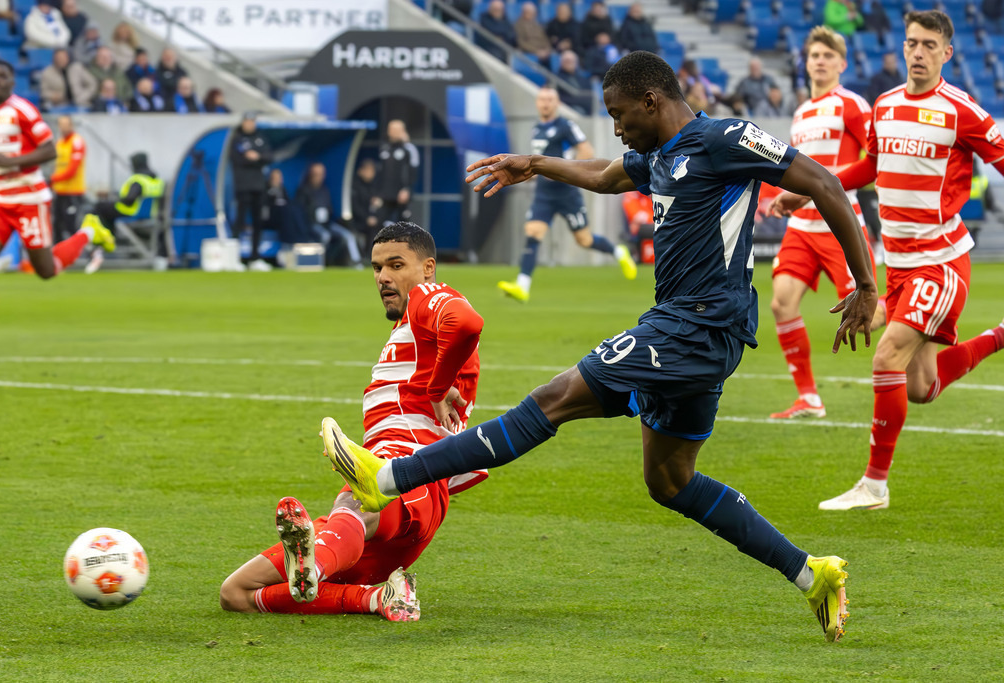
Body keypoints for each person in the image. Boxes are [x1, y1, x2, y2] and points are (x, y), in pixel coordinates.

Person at [320, 51, 880, 643]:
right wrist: (533, 164)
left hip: (695, 327)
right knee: (671, 482)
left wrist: (866, 284)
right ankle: (810, 574)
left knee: (553, 399)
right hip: (687, 333)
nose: (614, 127)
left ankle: (385, 478)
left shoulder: (725, 138)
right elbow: (606, 175)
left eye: (617, 114)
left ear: (651, 101)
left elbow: (823, 181)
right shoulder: (657, 157)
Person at [771, 11, 1004, 511]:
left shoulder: (962, 111)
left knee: (886, 357)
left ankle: (874, 485)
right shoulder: (886, 104)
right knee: (920, 387)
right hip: (896, 264)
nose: (918, 53)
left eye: (929, 45)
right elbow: (870, 166)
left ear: (947, 53)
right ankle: (1001, 336)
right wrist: (803, 193)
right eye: (911, 44)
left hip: (940, 262)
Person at [219, 221, 486, 620]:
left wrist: (435, 389)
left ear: (428, 268)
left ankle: (317, 562)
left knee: (357, 497)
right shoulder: (411, 328)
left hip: (406, 471)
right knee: (235, 592)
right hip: (398, 518)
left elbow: (467, 324)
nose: (383, 277)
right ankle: (378, 597)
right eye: (377, 267)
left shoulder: (428, 296)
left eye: (396, 265)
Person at [765, 27, 886, 420]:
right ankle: (809, 399)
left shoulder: (851, 105)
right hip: (802, 227)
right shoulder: (800, 113)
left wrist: (816, 191)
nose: (819, 61)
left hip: (839, 226)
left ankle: (917, 320)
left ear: (842, 63)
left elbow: (874, 163)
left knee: (872, 314)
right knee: (781, 303)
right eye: (814, 55)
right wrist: (783, 196)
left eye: (827, 55)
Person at [0, 60, 114, 350]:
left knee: (46, 270)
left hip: (29, 198)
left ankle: (89, 232)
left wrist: (8, 162)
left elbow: (49, 150)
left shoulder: (24, 110)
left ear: (13, 80)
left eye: (3, 76)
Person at [497, 85, 637, 304]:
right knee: (533, 233)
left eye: (549, 100)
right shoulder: (537, 129)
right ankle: (522, 286)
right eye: (542, 99)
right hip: (544, 193)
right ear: (537, 103)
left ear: (557, 103)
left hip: (566, 191)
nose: (545, 103)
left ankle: (618, 251)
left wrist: (563, 168)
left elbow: (587, 151)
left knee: (584, 239)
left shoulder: (565, 126)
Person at [88, 151, 163, 273]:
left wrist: (118, 199)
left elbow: (129, 199)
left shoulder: (138, 179)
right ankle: (109, 238)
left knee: (100, 207)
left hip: (130, 212)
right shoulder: (157, 180)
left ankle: (105, 241)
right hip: (149, 214)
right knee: (106, 209)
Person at [294, 162, 363, 268]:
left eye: (321, 174)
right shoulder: (304, 190)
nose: (319, 177)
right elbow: (301, 212)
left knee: (348, 235)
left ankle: (356, 262)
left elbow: (330, 208)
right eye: (316, 174)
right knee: (325, 236)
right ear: (310, 174)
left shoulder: (324, 189)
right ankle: (322, 262)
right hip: (312, 224)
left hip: (327, 223)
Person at [229, 112, 273, 270]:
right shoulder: (237, 138)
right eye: (248, 121)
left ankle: (255, 258)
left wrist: (257, 157)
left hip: (258, 186)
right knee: (239, 222)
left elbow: (269, 156)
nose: (250, 124)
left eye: (253, 121)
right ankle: (233, 258)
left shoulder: (260, 138)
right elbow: (236, 159)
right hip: (242, 186)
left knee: (258, 222)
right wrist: (253, 160)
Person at [375, 119, 419, 227]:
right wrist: (377, 193)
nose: (392, 132)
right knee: (381, 223)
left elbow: (413, 171)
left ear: (402, 131)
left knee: (404, 226)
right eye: (391, 129)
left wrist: (406, 188)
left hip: (401, 195)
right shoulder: (384, 148)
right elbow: (380, 173)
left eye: (396, 129)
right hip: (385, 195)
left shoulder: (409, 149)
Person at [50, 114, 85, 243]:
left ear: (71, 125)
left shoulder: (76, 141)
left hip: (73, 191)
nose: (63, 128)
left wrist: (53, 179)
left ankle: (79, 253)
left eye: (66, 124)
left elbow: (72, 170)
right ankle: (58, 256)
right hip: (60, 191)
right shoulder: (59, 143)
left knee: (72, 225)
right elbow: (58, 166)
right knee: (57, 225)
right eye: (61, 125)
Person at [350, 157, 382, 247]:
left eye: (373, 171)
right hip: (357, 220)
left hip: (371, 219)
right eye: (369, 171)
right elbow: (355, 206)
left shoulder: (373, 185)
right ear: (361, 171)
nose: (372, 174)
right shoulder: (354, 185)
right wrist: (366, 218)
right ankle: (368, 255)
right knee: (372, 228)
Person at [555, 49, 593, 115]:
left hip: (586, 108)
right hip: (567, 109)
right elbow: (558, 97)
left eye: (572, 61)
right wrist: (579, 100)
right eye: (567, 61)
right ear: (561, 62)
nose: (569, 63)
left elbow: (590, 95)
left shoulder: (583, 79)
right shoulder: (555, 78)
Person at [514, 2, 551, 66]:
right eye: (529, 12)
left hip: (543, 52)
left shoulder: (537, 25)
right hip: (530, 52)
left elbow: (545, 39)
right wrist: (536, 51)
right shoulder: (518, 25)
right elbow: (521, 42)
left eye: (533, 13)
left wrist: (547, 50)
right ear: (523, 12)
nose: (532, 15)